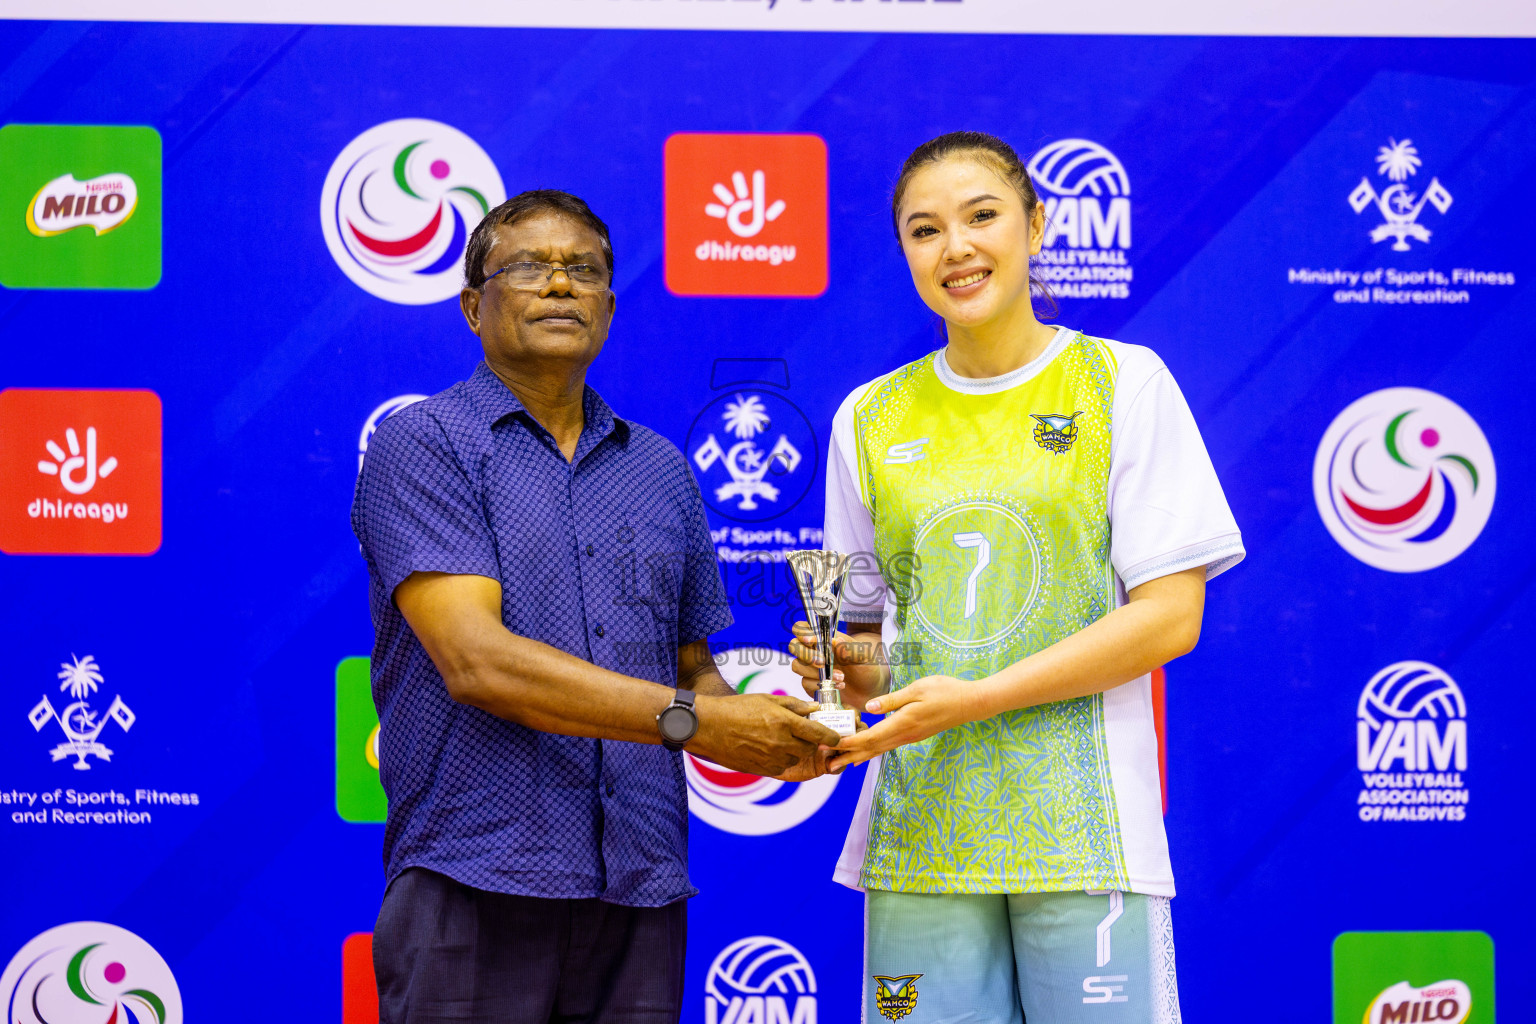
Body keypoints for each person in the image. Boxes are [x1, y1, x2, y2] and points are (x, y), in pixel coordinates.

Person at [352, 189, 842, 1024]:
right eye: (529, 268)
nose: (558, 285)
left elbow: (695, 674)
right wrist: (701, 724)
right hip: (474, 876)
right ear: (473, 305)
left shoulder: (661, 469)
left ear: (609, 308)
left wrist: (779, 734)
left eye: (583, 270)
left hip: (640, 887)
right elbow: (478, 663)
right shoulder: (424, 442)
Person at [789, 133, 1244, 1024]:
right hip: (921, 836)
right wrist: (832, 674)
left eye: (982, 216)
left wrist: (982, 695)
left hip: (1085, 837)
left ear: (1036, 226)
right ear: (906, 256)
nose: (955, 247)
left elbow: (1168, 619)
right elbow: (862, 637)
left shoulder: (1123, 383)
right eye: (924, 231)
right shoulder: (868, 418)